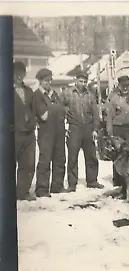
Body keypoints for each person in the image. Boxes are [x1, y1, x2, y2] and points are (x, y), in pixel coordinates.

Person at [60, 71, 104, 192]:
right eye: (80, 81)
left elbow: (95, 114)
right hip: (74, 128)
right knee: (72, 156)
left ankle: (92, 181)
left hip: (88, 128)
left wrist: (95, 129)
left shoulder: (90, 95)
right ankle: (72, 183)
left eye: (85, 81)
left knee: (91, 156)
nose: (83, 83)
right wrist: (65, 124)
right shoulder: (68, 93)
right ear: (76, 81)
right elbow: (60, 109)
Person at [33, 68, 67, 197]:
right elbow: (44, 116)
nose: (49, 83)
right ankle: (42, 189)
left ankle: (57, 186)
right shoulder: (37, 95)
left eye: (50, 80)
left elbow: (63, 110)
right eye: (46, 81)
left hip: (59, 129)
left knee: (60, 158)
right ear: (40, 81)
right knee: (45, 159)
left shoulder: (54, 94)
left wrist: (53, 106)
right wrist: (55, 107)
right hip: (46, 131)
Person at [106, 75, 129, 195]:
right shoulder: (114, 99)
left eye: (127, 85)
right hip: (118, 129)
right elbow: (109, 117)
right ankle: (119, 182)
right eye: (123, 86)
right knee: (119, 156)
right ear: (119, 86)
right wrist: (110, 133)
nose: (125, 88)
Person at [13, 62, 37, 201]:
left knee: (28, 163)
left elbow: (34, 110)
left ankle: (23, 192)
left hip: (29, 134)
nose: (19, 76)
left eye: (21, 73)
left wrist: (32, 122)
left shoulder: (29, 91)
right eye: (16, 73)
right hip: (13, 133)